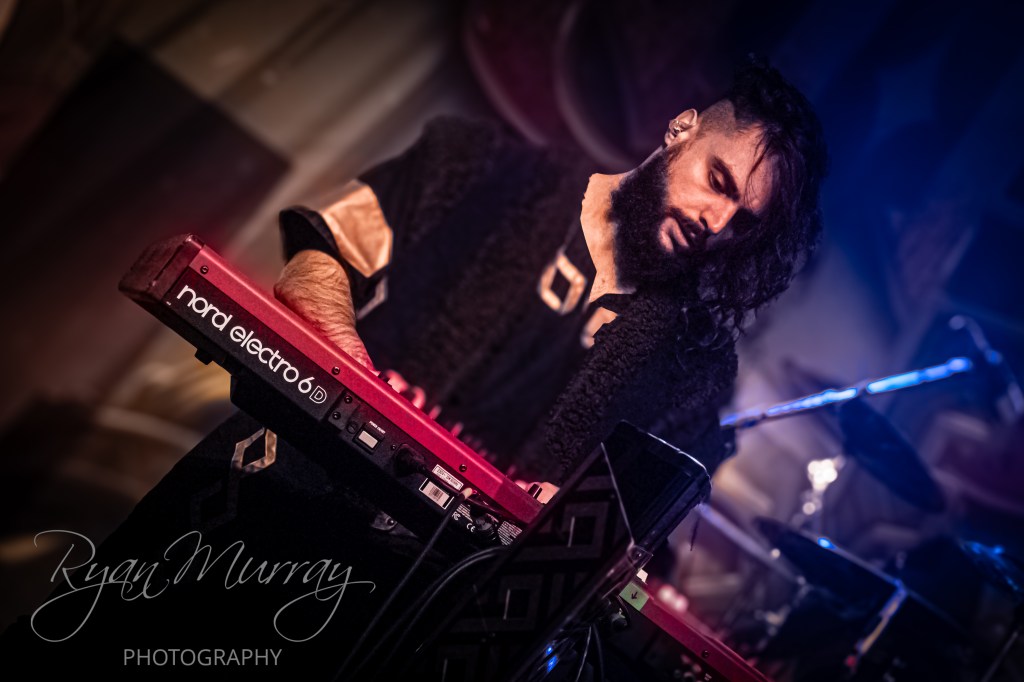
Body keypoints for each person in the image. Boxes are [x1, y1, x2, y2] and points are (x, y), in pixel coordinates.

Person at [0, 58, 826, 679]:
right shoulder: (485, 169)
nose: (715, 219)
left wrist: (579, 531)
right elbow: (316, 264)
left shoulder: (692, 367)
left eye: (741, 220)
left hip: (404, 626)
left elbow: (633, 546)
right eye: (718, 180)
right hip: (258, 520)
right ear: (681, 129)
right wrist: (360, 399)